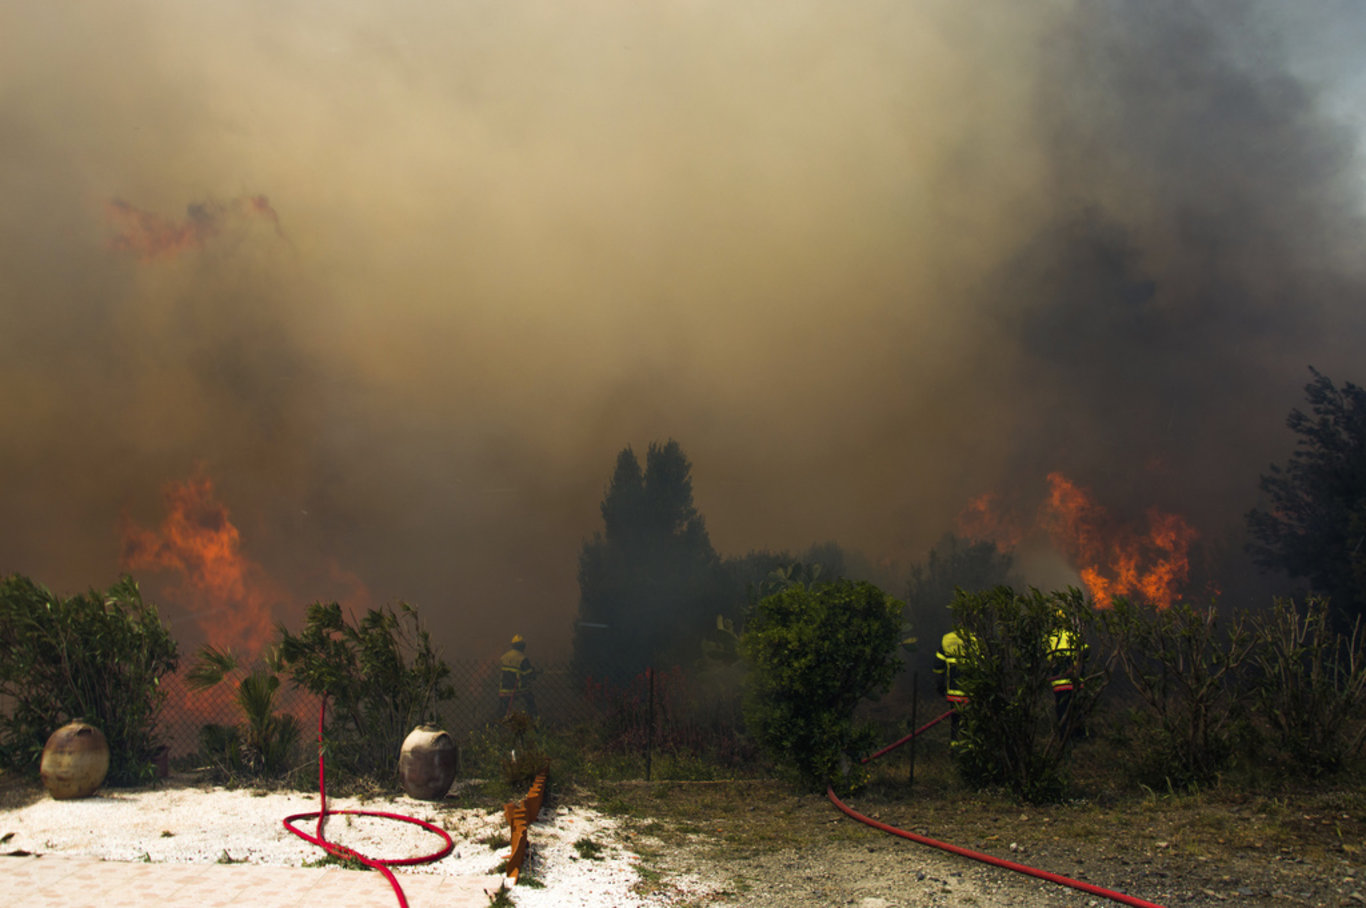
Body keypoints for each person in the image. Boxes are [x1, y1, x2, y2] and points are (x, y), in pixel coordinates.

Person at [1046, 614, 1087, 740]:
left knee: (1062, 708)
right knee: (1076, 707)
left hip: (1059, 682)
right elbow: (1084, 651)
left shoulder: (1049, 637)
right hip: (1074, 680)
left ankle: (1063, 737)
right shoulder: (1074, 635)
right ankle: (1079, 735)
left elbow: (1047, 658)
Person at [934, 629, 973, 740]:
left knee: (955, 722)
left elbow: (938, 666)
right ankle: (970, 750)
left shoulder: (948, 639)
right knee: (970, 724)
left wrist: (940, 686)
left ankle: (954, 749)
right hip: (971, 693)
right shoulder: (975, 640)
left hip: (953, 693)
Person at [497, 634, 539, 720]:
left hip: (504, 688)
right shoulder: (522, 658)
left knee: (503, 709)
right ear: (523, 646)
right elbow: (529, 675)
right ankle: (534, 717)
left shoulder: (503, 657)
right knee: (530, 701)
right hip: (519, 688)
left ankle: (499, 722)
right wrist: (536, 673)